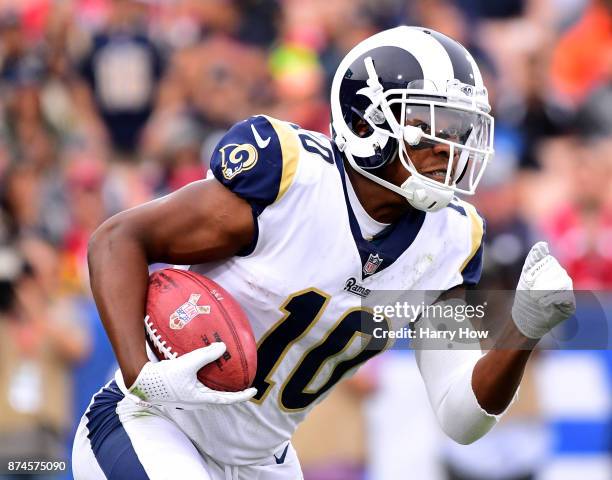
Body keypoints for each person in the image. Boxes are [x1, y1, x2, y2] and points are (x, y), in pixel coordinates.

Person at [72, 26, 575, 479]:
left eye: (459, 128)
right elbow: (117, 240)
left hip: (263, 460)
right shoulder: (290, 180)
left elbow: (461, 416)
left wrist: (523, 329)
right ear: (366, 124)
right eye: (430, 122)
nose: (450, 145)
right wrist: (144, 377)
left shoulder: (450, 242)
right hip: (156, 424)